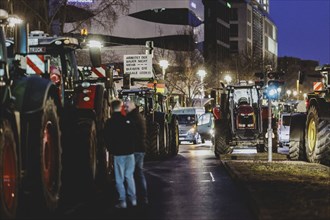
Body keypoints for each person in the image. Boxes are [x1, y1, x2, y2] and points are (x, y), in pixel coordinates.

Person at [104, 99, 137, 208]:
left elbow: (107, 138)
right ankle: (133, 199)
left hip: (118, 153)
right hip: (130, 153)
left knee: (119, 179)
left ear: (111, 109)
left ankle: (122, 201)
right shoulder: (128, 120)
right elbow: (133, 135)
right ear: (121, 107)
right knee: (129, 176)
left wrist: (111, 150)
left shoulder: (109, 122)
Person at [125, 100, 149, 206]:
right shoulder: (138, 117)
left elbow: (131, 134)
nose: (124, 108)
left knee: (130, 174)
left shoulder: (132, 118)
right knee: (138, 173)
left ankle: (133, 198)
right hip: (140, 149)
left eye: (126, 107)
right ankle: (143, 197)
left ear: (131, 107)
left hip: (135, 149)